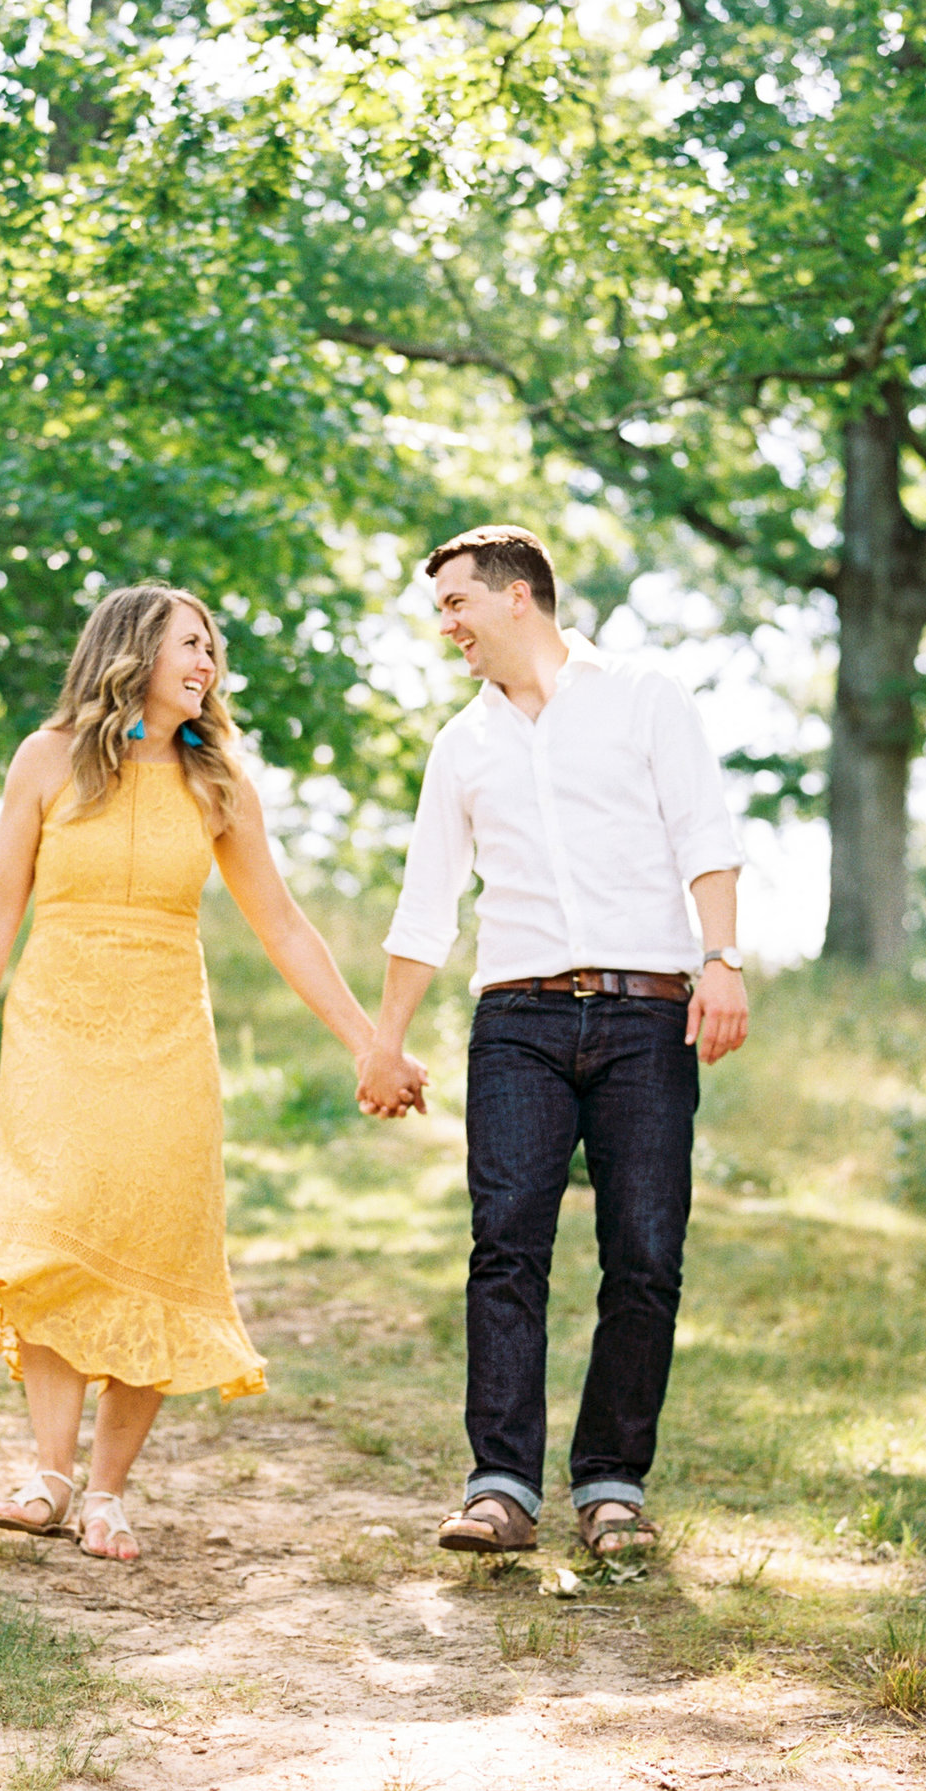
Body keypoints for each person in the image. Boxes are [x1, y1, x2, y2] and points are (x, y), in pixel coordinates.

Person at [0, 583, 425, 1562]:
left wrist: (370, 1040)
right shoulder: (47, 758)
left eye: (211, 648)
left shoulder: (217, 780)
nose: (206, 663)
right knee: (49, 1241)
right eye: (188, 646)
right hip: (56, 1033)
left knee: (156, 1246)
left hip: (166, 1042)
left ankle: (107, 1492)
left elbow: (281, 923)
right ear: (131, 653)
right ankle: (50, 1473)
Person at [354, 526, 750, 1558]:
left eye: (454, 605)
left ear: (517, 595)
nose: (445, 629)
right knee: (506, 1246)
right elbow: (424, 904)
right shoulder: (462, 746)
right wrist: (383, 1043)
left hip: (646, 1012)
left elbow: (706, 835)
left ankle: (612, 1483)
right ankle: (500, 1489)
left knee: (645, 1253)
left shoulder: (645, 699)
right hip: (518, 1020)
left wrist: (723, 961)